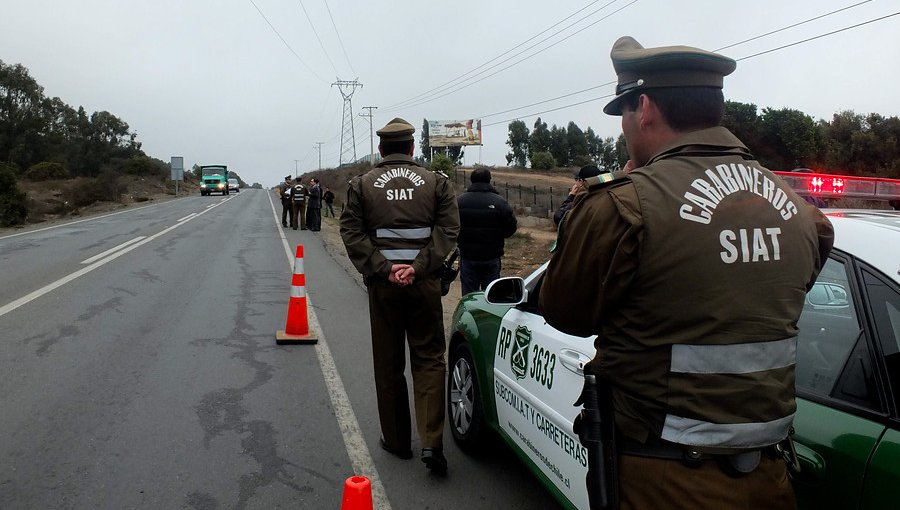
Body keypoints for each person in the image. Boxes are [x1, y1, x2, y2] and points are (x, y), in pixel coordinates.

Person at [539, 36, 834, 510]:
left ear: (646, 107)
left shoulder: (624, 204)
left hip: (663, 481)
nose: (623, 129)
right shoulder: (799, 211)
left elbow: (563, 310)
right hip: (772, 479)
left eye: (623, 114)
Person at [340, 117, 459, 474]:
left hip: (384, 288)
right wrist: (418, 267)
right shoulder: (436, 182)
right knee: (429, 360)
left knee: (389, 365)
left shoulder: (362, 184)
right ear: (411, 149)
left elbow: (350, 231)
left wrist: (384, 267)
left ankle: (396, 441)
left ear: (381, 150)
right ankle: (431, 442)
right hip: (423, 287)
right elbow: (449, 229)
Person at [456, 167, 517, 295]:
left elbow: (451, 227)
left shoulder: (460, 201)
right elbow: (511, 227)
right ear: (489, 180)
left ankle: (469, 314)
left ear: (471, 181)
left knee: (469, 297)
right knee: (491, 295)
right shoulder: (500, 202)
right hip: (492, 257)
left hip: (468, 257)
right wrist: (498, 236)